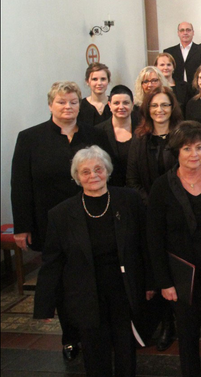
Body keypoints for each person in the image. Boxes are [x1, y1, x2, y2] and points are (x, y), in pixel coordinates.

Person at [34, 146, 150, 377]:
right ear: (77, 177)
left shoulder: (129, 200)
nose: (93, 175)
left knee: (126, 349)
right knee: (94, 352)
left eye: (98, 169)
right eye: (85, 172)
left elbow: (145, 245)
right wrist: (45, 304)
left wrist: (151, 283)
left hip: (123, 288)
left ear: (108, 170)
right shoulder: (61, 214)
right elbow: (53, 262)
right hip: (84, 291)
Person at [11, 81, 103, 360]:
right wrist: (22, 227)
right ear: (50, 104)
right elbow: (20, 184)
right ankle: (70, 337)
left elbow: (110, 174)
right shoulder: (30, 138)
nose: (68, 107)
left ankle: (95, 334)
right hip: (51, 222)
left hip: (92, 218)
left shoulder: (94, 134)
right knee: (63, 282)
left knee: (93, 278)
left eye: (73, 102)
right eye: (61, 102)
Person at [147, 121, 201, 377]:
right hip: (180, 275)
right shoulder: (161, 186)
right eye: (187, 148)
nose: (194, 154)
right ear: (177, 152)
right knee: (187, 336)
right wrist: (164, 282)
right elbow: (154, 238)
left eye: (199, 147)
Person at [126, 86, 182, 350]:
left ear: (173, 108)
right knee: (157, 267)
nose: (160, 110)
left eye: (165, 105)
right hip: (149, 215)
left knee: (178, 268)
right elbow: (132, 179)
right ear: (147, 110)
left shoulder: (182, 135)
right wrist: (154, 205)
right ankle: (165, 323)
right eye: (155, 105)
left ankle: (182, 320)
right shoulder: (140, 138)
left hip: (179, 212)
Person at [96, 85, 137, 187]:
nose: (121, 107)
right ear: (109, 105)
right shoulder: (98, 132)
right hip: (111, 188)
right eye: (116, 103)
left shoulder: (143, 129)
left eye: (126, 103)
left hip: (138, 189)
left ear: (132, 104)